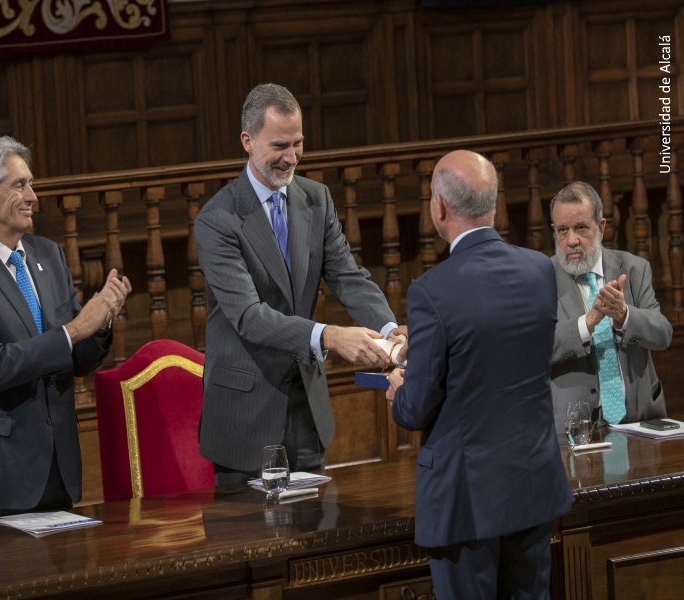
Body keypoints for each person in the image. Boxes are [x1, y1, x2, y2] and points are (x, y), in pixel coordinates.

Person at [385, 150, 572, 599]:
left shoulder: (431, 291)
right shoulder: (540, 270)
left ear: (440, 208)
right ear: (493, 204)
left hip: (466, 501)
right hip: (531, 484)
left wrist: (399, 387)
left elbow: (416, 408)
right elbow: (508, 357)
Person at [194, 83, 404, 484]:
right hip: (245, 419)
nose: (291, 157)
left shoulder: (316, 199)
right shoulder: (217, 219)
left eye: (298, 143)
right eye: (279, 146)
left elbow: (348, 276)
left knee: (315, 537)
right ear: (247, 141)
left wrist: (388, 330)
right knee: (250, 546)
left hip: (306, 411)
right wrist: (329, 336)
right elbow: (250, 317)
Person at [0, 136, 132, 519]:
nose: (33, 196)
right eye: (19, 185)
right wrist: (76, 329)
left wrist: (101, 320)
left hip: (56, 465)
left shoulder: (49, 254)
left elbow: (75, 359)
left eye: (31, 184)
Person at [549, 181, 672, 431]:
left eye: (581, 228)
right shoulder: (542, 279)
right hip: (575, 428)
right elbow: (537, 348)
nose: (571, 240)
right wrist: (587, 324)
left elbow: (663, 334)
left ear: (601, 227)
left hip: (641, 420)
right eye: (562, 230)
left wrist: (625, 316)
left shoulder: (635, 268)